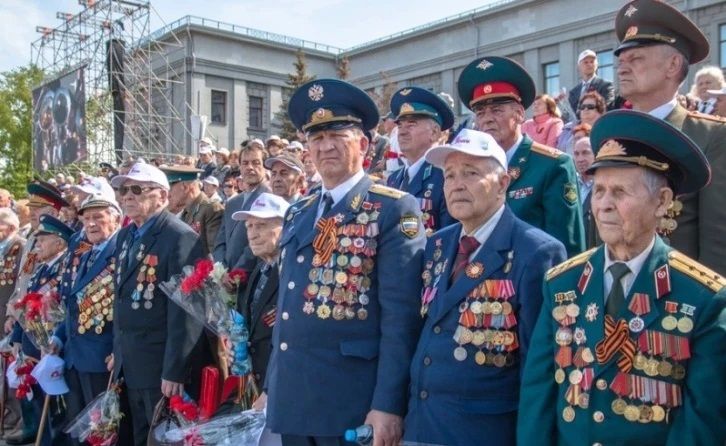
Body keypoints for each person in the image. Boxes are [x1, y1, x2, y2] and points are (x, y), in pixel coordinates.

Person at [519, 109, 726, 445]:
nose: (603, 205)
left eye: (620, 192)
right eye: (599, 191)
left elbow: (702, 423)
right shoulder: (562, 283)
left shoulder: (702, 297)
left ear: (662, 201)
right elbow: (537, 399)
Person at [263, 78, 426, 446]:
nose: (326, 146)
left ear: (364, 144)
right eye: (316, 138)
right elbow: (288, 308)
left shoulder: (392, 208)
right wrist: (272, 384)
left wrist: (388, 405)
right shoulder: (299, 212)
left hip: (350, 402)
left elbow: (400, 320)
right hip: (293, 398)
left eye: (337, 134)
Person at [402, 129, 566, 445]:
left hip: (485, 432)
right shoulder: (438, 244)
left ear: (503, 183)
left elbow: (540, 368)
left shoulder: (536, 252)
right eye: (449, 176)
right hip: (423, 425)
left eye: (471, 173)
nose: (457, 184)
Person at [614, 0, 726, 276]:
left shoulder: (710, 136)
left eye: (636, 58)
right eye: (621, 60)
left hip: (678, 301)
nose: (622, 68)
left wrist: (709, 311)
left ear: (673, 65)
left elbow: (717, 240)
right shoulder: (612, 136)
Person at [109, 162, 205, 445]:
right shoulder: (126, 234)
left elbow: (186, 311)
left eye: (138, 189)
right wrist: (118, 349)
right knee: (135, 435)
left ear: (162, 197)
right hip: (130, 359)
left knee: (160, 439)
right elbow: (122, 296)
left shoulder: (179, 236)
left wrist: (175, 369)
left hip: (159, 365)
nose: (128, 196)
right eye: (123, 189)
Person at [457, 56, 585, 256]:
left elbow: (567, 248)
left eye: (497, 110)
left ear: (519, 114)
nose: (488, 119)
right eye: (480, 113)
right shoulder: (471, 168)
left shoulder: (553, 165)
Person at [51, 195, 123, 446]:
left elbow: (123, 309)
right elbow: (73, 303)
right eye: (87, 218)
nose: (91, 224)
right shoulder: (85, 252)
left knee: (101, 433)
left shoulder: (121, 251)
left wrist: (118, 349)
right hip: (74, 355)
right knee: (78, 432)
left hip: (101, 358)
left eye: (98, 217)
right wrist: (58, 337)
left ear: (115, 218)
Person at [9, 214, 73, 446]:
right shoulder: (41, 269)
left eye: (43, 240)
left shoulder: (64, 269)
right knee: (37, 405)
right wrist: (17, 337)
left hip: (50, 348)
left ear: (59, 243)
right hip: (32, 344)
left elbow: (61, 310)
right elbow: (25, 304)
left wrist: (53, 340)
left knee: (55, 410)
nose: (38, 245)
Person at [229, 192, 289, 387]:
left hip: (279, 385)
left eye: (262, 226)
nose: (252, 234)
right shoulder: (259, 268)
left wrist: (270, 388)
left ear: (286, 227)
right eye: (249, 226)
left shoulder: (291, 272)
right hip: (255, 381)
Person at [386, 86, 456, 235]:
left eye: (412, 124)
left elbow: (450, 236)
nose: (402, 131)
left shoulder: (447, 175)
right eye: (400, 125)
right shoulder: (393, 179)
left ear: (435, 132)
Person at [213, 143, 270, 279]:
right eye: (245, 163)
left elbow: (256, 245)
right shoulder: (233, 202)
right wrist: (221, 271)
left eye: (256, 163)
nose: (250, 167)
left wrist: (236, 275)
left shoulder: (269, 199)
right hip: (226, 279)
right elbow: (220, 241)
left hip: (251, 279)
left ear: (264, 166)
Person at [0, 209, 25, 440]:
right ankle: (7, 417)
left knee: (11, 374)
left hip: (8, 317)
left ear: (8, 227)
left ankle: (15, 421)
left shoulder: (19, 246)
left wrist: (11, 313)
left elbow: (20, 284)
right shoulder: (4, 247)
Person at [162, 165, 224, 257]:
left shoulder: (211, 209)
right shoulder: (185, 210)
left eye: (170, 188)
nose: (168, 194)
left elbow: (215, 254)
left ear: (185, 187)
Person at [562, 49, 614, 121]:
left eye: (592, 62)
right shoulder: (573, 92)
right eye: (585, 62)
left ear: (597, 64)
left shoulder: (606, 86)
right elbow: (571, 114)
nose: (589, 64)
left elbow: (606, 109)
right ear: (579, 66)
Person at [573, 136, 597, 249]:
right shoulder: (570, 183)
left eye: (585, 153)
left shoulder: (603, 187)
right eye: (576, 154)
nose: (580, 159)